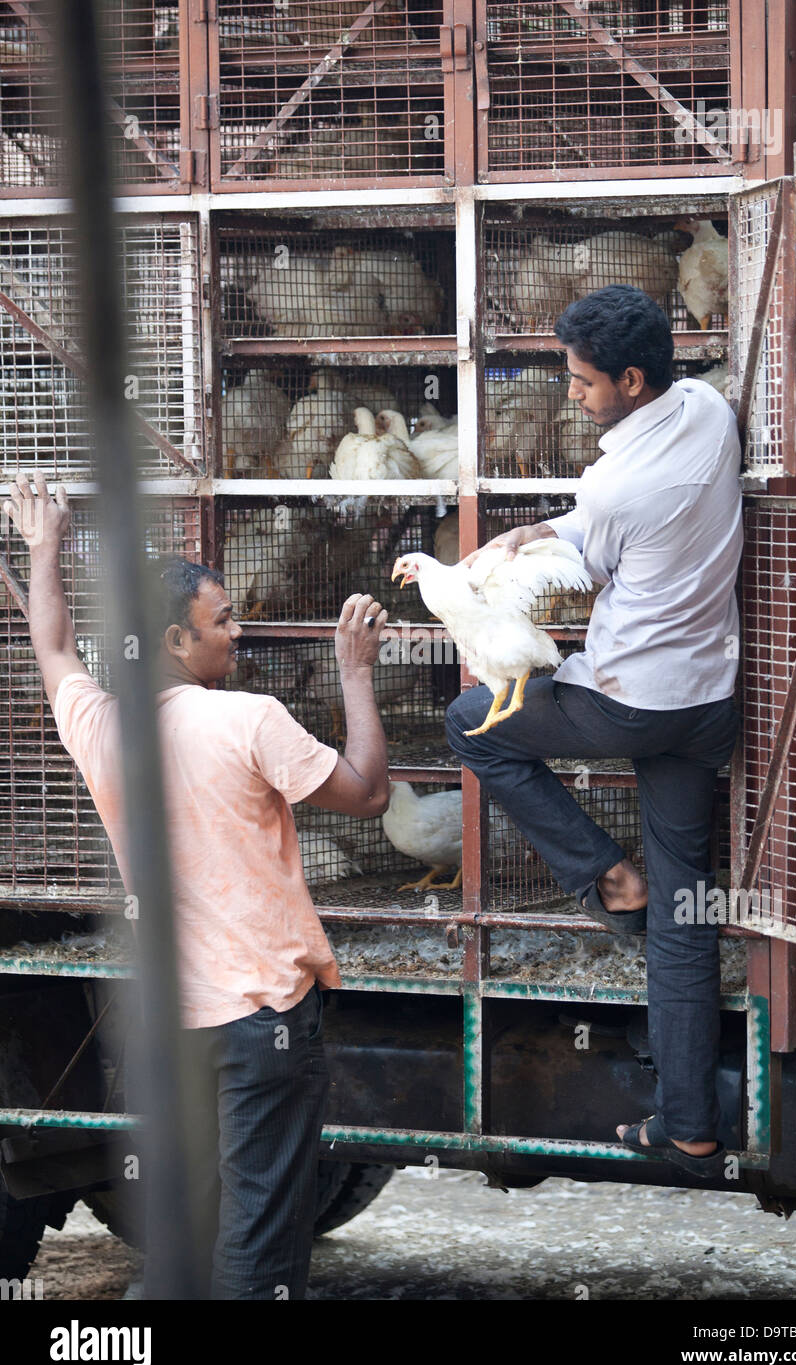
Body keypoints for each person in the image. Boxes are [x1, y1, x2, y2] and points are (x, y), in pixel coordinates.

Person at [3, 470, 390, 1298]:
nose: (237, 634)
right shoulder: (247, 720)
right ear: (176, 641)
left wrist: (43, 547)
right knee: (259, 1227)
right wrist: (354, 671)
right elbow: (368, 794)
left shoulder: (103, 728)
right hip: (263, 1021)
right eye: (223, 623)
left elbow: (54, 647)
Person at [446, 284, 742, 1177]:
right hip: (704, 702)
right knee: (687, 911)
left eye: (581, 382)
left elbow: (590, 565)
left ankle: (604, 876)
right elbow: (591, 533)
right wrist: (546, 523)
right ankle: (688, 1126)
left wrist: (523, 556)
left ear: (634, 378)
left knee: (472, 721)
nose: (572, 394)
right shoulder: (711, 409)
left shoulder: (617, 480)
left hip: (627, 702)